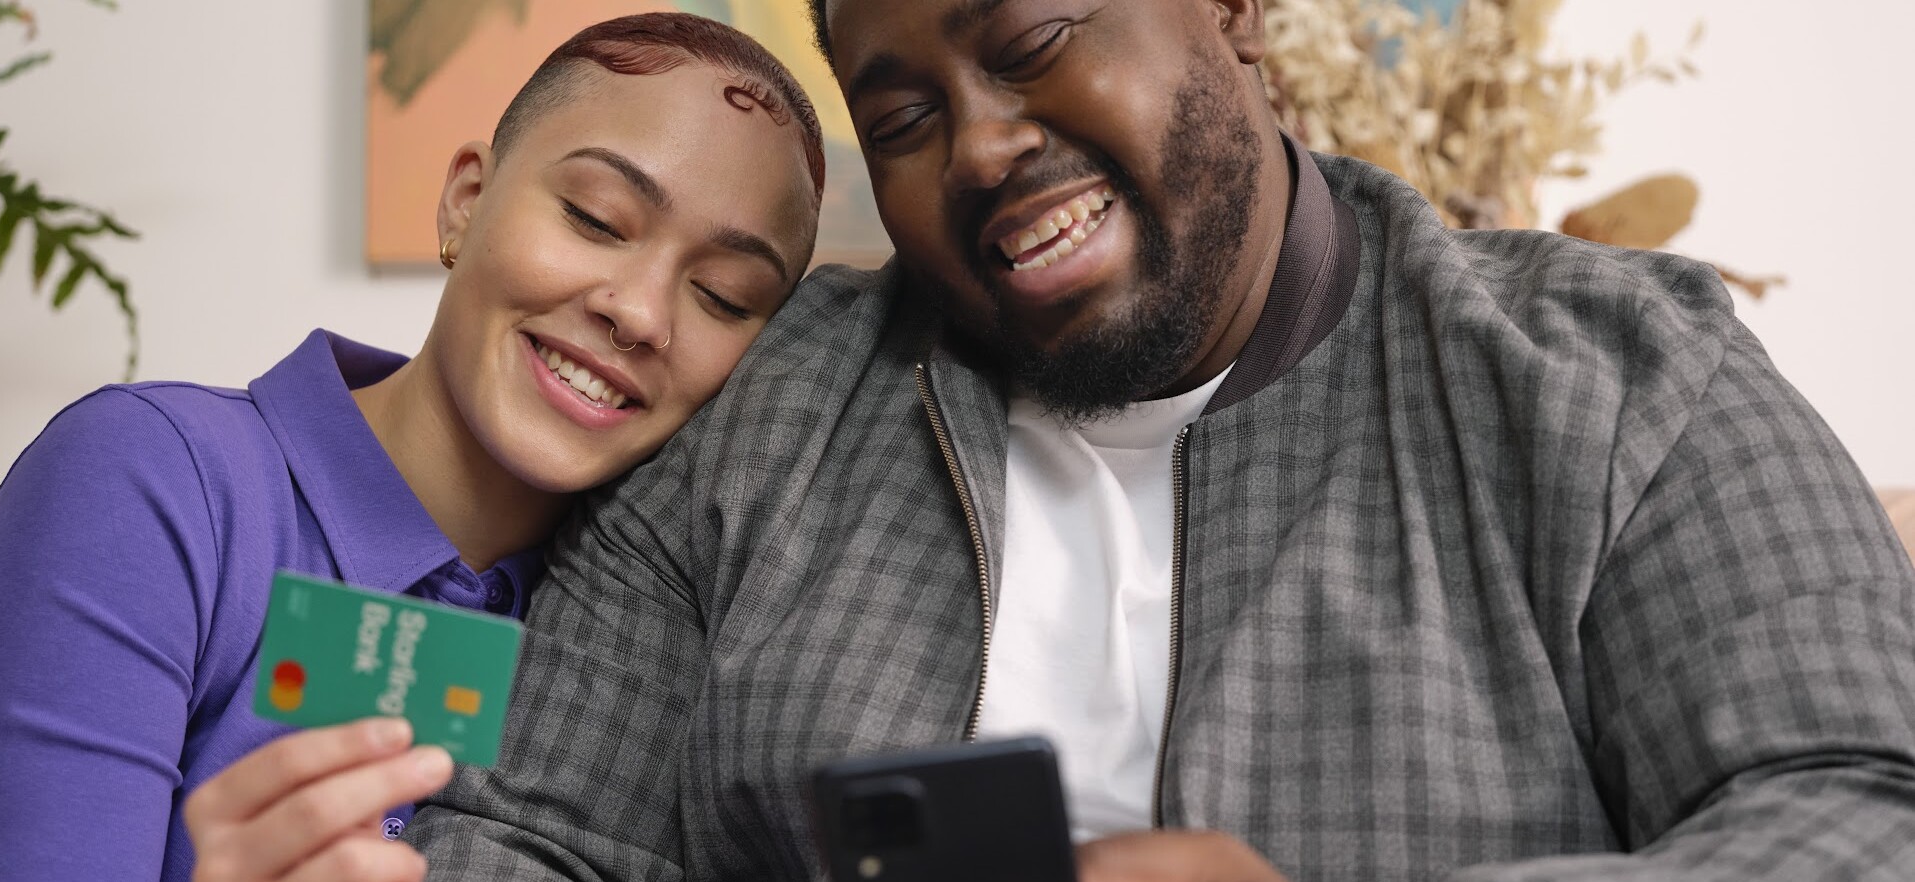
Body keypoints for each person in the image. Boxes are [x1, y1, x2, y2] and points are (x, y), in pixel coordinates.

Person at [251, 0, 1915, 879]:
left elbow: (1861, 809)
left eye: (1033, 39)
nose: (977, 148)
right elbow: (539, 831)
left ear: (1232, 14)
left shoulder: (1618, 374)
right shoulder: (758, 409)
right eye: (895, 116)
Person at [0, 13, 825, 882]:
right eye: (593, 217)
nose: (639, 312)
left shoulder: (659, 629)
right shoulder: (149, 478)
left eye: (724, 296)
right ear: (466, 199)